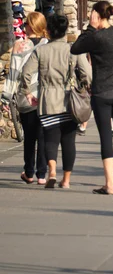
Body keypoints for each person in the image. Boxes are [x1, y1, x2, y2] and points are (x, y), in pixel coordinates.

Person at [71, 1, 113, 196]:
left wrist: (90, 28)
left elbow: (76, 48)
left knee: (106, 137)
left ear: (97, 16)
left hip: (102, 92)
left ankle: (110, 185)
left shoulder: (96, 37)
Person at [22, 15, 91, 190]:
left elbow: (26, 73)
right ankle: (66, 179)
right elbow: (88, 75)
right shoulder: (73, 50)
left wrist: (28, 93)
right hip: (69, 101)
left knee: (50, 139)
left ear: (49, 31)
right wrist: (84, 86)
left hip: (47, 101)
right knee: (68, 140)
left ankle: (52, 171)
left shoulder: (41, 51)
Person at [2, 12, 48, 185]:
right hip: (45, 97)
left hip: (26, 98)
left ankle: (29, 171)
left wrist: (6, 96)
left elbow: (13, 73)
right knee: (43, 136)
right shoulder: (47, 45)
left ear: (31, 26)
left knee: (29, 137)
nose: (23, 27)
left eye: (26, 24)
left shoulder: (20, 46)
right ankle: (42, 174)